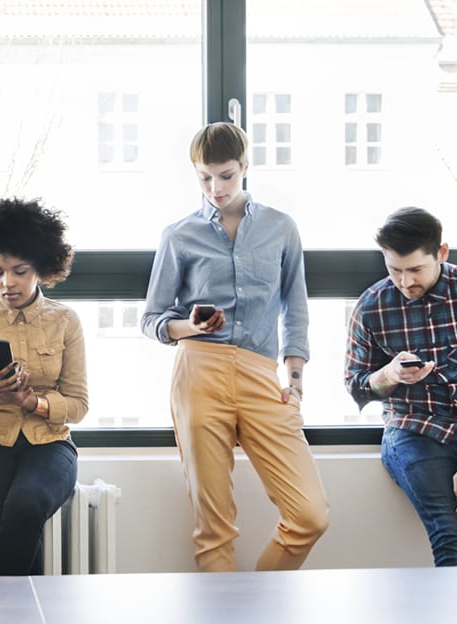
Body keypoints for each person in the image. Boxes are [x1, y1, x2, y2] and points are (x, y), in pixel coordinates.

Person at [141, 122, 328, 572]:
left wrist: (295, 382)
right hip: (200, 371)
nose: (215, 187)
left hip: (261, 371)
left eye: (225, 175)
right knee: (214, 530)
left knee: (309, 515)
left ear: (245, 167)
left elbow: (295, 311)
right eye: (204, 177)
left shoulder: (281, 228)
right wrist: (189, 326)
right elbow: (151, 320)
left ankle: (257, 603)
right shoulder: (179, 235)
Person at [345, 207, 457, 566]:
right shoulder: (371, 307)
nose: (404, 281)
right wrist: (390, 375)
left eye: (415, 270)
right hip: (415, 429)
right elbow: (357, 387)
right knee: (452, 537)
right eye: (394, 269)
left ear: (441, 253)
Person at [0, 197, 87, 575]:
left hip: (49, 443)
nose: (6, 283)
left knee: (26, 508)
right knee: (18, 533)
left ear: (40, 268)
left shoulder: (65, 321)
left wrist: (32, 402)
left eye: (19, 271)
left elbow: (78, 403)